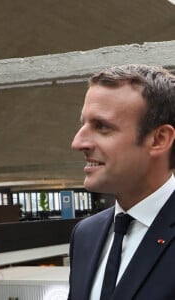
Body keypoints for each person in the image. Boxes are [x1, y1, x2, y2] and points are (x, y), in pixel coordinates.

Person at [68, 64, 175, 300]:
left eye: (102, 126)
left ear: (159, 139)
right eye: (82, 123)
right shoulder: (85, 234)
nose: (78, 142)